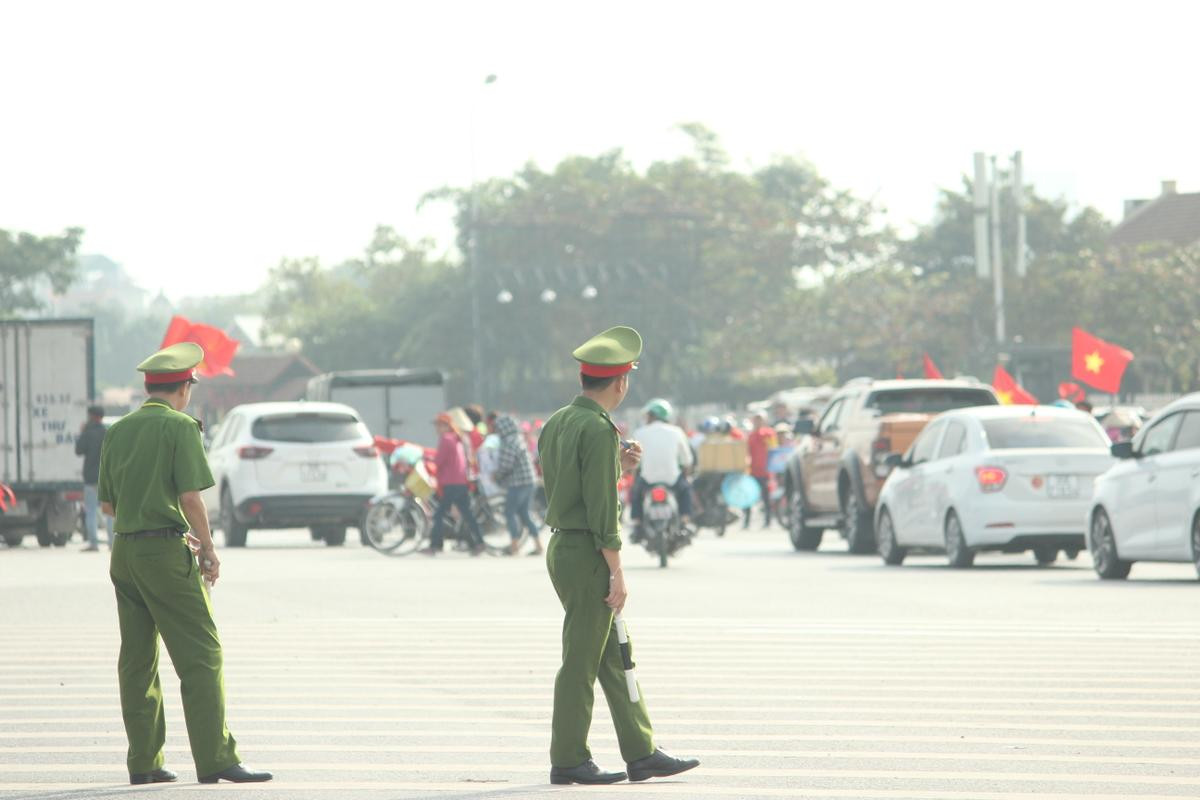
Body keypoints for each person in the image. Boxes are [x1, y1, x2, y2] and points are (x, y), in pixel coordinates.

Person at [98, 342, 270, 785]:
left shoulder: (118, 431)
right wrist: (208, 548)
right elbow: (192, 497)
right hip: (164, 556)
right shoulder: (180, 427)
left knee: (137, 660)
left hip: (126, 552)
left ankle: (145, 762)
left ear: (149, 386)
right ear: (185, 387)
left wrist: (153, 518)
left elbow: (110, 507)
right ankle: (216, 758)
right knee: (202, 654)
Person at [539, 325, 699, 785]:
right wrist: (617, 571)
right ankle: (569, 758)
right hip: (588, 549)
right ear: (621, 382)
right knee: (581, 660)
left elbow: (570, 482)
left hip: (563, 544)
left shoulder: (560, 421)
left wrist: (617, 465)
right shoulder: (597, 428)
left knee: (611, 654)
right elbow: (601, 509)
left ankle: (641, 750)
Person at [420, 412, 486, 556]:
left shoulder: (446, 439)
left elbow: (439, 461)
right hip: (461, 482)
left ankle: (435, 546)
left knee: (438, 515)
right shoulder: (458, 438)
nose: (436, 429)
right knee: (467, 515)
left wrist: (425, 459)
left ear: (445, 426)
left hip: (451, 482)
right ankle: (479, 543)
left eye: (438, 425)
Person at [629, 399, 694, 535]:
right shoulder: (677, 432)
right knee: (686, 491)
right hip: (672, 480)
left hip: (648, 480)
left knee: (635, 494)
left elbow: (635, 462)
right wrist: (686, 476)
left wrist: (635, 480)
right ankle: (685, 521)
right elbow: (687, 460)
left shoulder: (639, 433)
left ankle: (637, 523)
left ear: (652, 416)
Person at [492, 415, 544, 555]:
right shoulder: (518, 438)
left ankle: (514, 546)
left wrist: (495, 475)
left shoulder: (508, 442)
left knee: (509, 512)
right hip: (529, 481)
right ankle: (538, 545)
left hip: (519, 483)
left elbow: (506, 465)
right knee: (524, 514)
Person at [77, 404, 113, 551]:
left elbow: (78, 450)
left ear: (92, 416)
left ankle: (94, 543)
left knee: (91, 510)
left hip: (90, 478)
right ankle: (113, 543)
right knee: (110, 511)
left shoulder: (87, 433)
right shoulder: (108, 432)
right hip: (107, 477)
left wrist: (82, 432)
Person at [744, 413, 777, 529]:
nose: (757, 422)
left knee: (766, 497)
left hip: (765, 471)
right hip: (753, 471)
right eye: (756, 420)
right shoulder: (751, 436)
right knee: (748, 497)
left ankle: (767, 521)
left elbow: (773, 448)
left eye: (760, 420)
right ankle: (746, 521)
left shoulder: (768, 433)